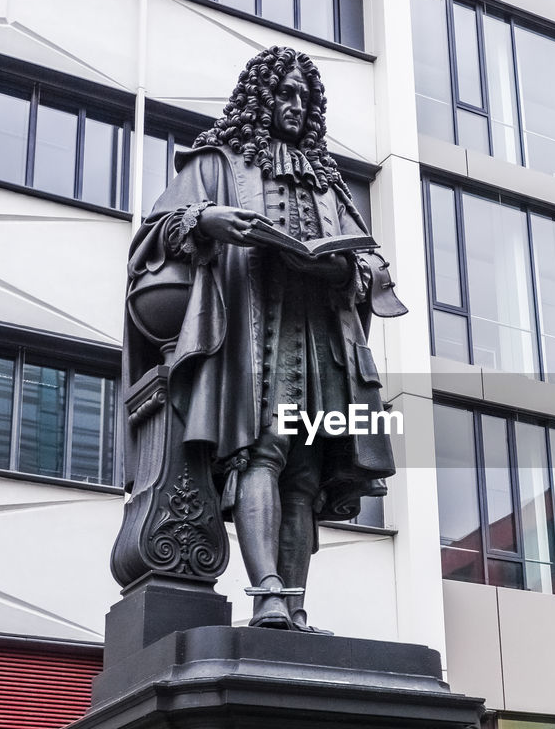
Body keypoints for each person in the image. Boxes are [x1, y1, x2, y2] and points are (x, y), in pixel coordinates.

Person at [124, 46, 405, 632]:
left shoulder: (329, 184)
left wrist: (353, 269)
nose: (296, 105)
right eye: (286, 93)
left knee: (304, 475)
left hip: (322, 337)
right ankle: (267, 594)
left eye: (305, 96)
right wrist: (206, 221)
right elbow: (156, 232)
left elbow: (373, 263)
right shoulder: (218, 161)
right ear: (261, 98)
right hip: (255, 330)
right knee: (261, 452)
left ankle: (295, 607)